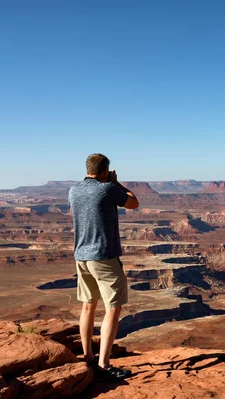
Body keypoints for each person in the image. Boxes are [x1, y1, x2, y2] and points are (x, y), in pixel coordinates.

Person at [68, 153, 140, 379]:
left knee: (88, 306)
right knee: (113, 308)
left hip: (81, 256)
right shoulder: (107, 189)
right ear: (105, 171)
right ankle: (104, 365)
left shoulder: (73, 190)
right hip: (104, 257)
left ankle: (88, 357)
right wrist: (115, 182)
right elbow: (134, 203)